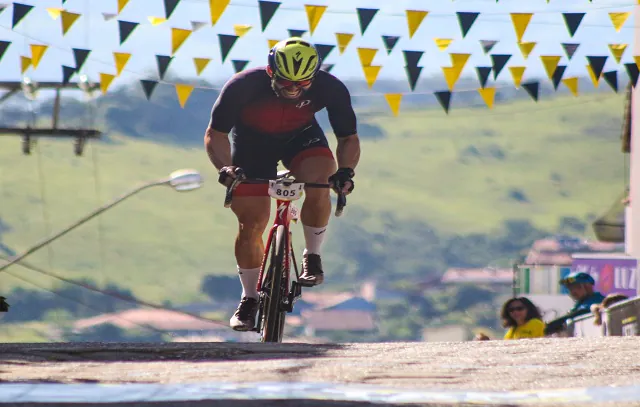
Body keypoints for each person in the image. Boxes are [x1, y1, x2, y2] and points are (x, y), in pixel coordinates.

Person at [203, 37, 361, 332]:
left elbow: (348, 138)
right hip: (251, 146)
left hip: (300, 139)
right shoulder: (243, 85)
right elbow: (215, 134)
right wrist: (225, 168)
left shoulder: (330, 87)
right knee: (251, 223)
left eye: (302, 84)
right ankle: (249, 298)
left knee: (321, 178)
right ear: (271, 71)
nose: (293, 89)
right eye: (286, 81)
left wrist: (346, 171)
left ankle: (312, 255)